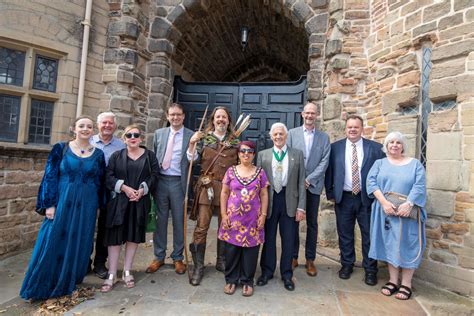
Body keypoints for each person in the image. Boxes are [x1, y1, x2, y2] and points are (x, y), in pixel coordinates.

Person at [20, 116, 105, 300]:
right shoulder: (61, 148)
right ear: (74, 128)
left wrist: (98, 205)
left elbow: (100, 182)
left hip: (87, 203)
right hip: (63, 199)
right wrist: (49, 204)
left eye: (89, 127)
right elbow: (50, 176)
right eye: (81, 126)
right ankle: (40, 286)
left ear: (93, 130)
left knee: (79, 241)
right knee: (52, 239)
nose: (85, 129)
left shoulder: (98, 154)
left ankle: (68, 281)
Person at [324, 114, 385, 286]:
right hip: (344, 198)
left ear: (362, 129)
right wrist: (331, 194)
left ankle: (371, 270)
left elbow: (382, 174)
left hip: (367, 199)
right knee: (345, 234)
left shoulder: (376, 148)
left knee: (369, 235)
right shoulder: (335, 148)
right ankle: (346, 265)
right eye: (349, 127)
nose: (352, 129)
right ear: (345, 129)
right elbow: (329, 172)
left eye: (356, 127)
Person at [367, 131, 426, 300]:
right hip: (386, 211)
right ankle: (393, 281)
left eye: (398, 142)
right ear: (386, 146)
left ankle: (406, 284)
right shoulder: (379, 163)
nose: (394, 145)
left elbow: (419, 185)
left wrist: (409, 204)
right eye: (391, 142)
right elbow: (371, 182)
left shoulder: (415, 164)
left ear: (403, 146)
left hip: (408, 212)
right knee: (390, 244)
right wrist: (384, 203)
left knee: (408, 244)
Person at [100, 125, 159, 292]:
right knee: (115, 236)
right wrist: (124, 188)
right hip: (119, 201)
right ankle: (112, 273)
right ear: (124, 138)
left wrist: (142, 190)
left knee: (133, 235)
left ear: (141, 138)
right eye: (129, 135)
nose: (133, 137)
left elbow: (155, 175)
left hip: (139, 201)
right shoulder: (116, 156)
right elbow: (108, 176)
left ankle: (127, 270)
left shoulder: (150, 156)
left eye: (136, 135)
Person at [187, 106, 239, 286]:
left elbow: (240, 167)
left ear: (228, 121)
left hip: (227, 189)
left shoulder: (235, 142)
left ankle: (221, 261)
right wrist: (192, 143)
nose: (221, 120)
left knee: (224, 226)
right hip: (207, 187)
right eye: (218, 117)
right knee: (201, 227)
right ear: (213, 120)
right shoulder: (203, 139)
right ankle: (198, 266)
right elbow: (191, 160)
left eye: (224, 117)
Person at [256, 122, 306, 291]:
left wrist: (301, 207)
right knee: (268, 238)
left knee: (289, 239)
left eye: (281, 134)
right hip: (269, 201)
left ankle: (286, 274)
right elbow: (258, 183)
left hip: (289, 200)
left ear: (286, 136)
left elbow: (301, 183)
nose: (278, 137)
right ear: (271, 137)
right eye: (275, 134)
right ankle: (267, 272)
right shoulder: (263, 155)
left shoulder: (297, 155)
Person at [146, 103, 193, 275]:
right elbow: (153, 156)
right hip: (161, 181)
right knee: (160, 220)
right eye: (172, 115)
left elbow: (194, 158)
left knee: (179, 221)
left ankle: (178, 257)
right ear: (167, 116)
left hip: (178, 182)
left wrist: (192, 146)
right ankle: (158, 256)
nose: (175, 117)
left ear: (183, 116)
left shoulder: (191, 135)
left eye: (178, 114)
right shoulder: (159, 134)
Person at [219, 141, 269, 297]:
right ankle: (231, 280)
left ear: (254, 154)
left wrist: (263, 215)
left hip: (252, 219)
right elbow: (224, 193)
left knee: (251, 251)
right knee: (231, 250)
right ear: (238, 153)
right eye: (243, 151)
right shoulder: (231, 171)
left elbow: (264, 194)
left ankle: (247, 281)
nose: (246, 154)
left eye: (249, 151)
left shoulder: (260, 172)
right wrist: (224, 215)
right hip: (233, 219)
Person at [287, 102, 330, 277]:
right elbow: (287, 156)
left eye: (313, 113)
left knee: (312, 223)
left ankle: (310, 259)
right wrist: (298, 181)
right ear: (302, 114)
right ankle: (293, 256)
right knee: (293, 222)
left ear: (317, 115)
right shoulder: (292, 134)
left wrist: (309, 179)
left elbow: (324, 161)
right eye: (307, 113)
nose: (310, 116)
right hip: (295, 186)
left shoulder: (324, 137)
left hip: (313, 186)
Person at [90, 111, 125, 279]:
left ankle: (99, 263)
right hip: (88, 190)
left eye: (110, 123)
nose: (107, 126)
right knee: (85, 226)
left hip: (110, 192)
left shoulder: (121, 146)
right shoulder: (88, 141)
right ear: (98, 125)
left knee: (105, 228)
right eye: (104, 123)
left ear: (115, 126)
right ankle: (82, 262)